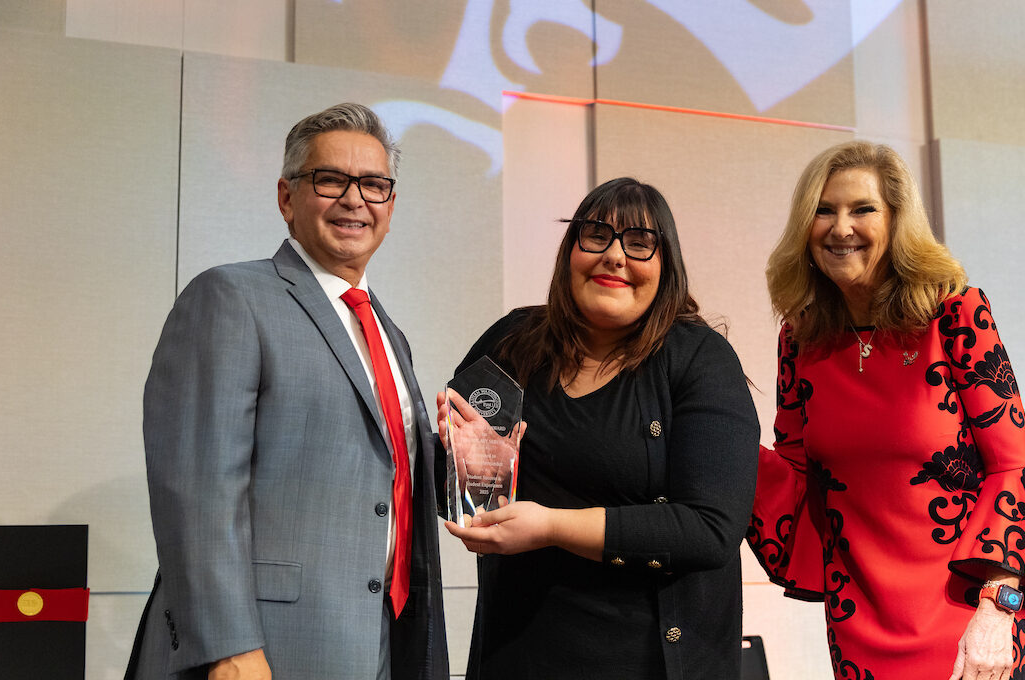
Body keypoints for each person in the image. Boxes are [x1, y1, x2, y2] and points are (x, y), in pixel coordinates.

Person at [747, 141, 1025, 679]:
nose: (840, 227)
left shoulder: (956, 313)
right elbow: (795, 475)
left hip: (970, 614)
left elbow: (1013, 469)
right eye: (824, 210)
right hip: (858, 617)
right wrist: (704, 431)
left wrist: (997, 611)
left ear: (897, 222)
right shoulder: (800, 338)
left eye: (862, 209)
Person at [125, 103, 448, 680]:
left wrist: (453, 449)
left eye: (374, 185)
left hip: (379, 641)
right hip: (263, 648)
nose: (355, 200)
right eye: (331, 180)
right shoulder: (230, 296)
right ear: (286, 198)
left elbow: (377, 479)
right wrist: (227, 646)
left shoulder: (387, 331)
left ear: (391, 206)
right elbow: (197, 490)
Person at [441, 178, 760, 679]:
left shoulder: (699, 359)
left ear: (665, 267)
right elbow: (452, 493)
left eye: (639, 243)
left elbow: (710, 530)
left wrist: (550, 527)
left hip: (653, 662)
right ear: (571, 251)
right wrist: (467, 474)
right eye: (596, 236)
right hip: (518, 656)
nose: (615, 256)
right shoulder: (511, 342)